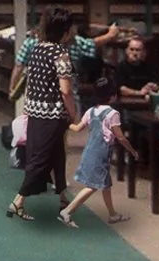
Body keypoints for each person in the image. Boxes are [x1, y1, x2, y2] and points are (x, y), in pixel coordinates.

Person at [7, 7, 78, 221]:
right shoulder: (61, 54)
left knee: (57, 155)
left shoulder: (37, 49)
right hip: (53, 115)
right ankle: (17, 201)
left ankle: (63, 198)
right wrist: (73, 113)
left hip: (35, 111)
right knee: (41, 158)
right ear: (65, 32)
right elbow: (65, 90)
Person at [58, 81, 139, 227]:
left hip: (89, 150)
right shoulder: (112, 114)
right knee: (93, 186)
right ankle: (68, 211)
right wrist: (132, 150)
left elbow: (77, 128)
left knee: (105, 184)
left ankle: (113, 214)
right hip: (101, 153)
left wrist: (64, 122)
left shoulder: (91, 111)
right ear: (113, 97)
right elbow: (120, 137)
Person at [8, 17, 122, 100]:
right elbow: (92, 44)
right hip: (63, 96)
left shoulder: (31, 41)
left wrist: (13, 87)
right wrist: (111, 34)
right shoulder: (72, 43)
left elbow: (19, 66)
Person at [114, 34, 159, 101]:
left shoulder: (148, 67)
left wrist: (153, 86)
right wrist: (139, 93)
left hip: (146, 102)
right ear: (126, 51)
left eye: (138, 50)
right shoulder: (120, 67)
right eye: (132, 49)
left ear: (143, 52)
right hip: (127, 103)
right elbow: (121, 89)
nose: (134, 53)